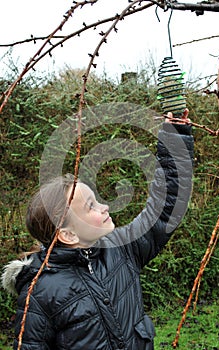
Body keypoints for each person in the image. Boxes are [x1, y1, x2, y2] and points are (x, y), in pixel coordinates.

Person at [1, 110, 194, 350]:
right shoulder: (40, 294)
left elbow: (165, 209)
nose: (104, 207)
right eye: (91, 206)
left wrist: (175, 140)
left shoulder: (122, 249)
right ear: (68, 234)